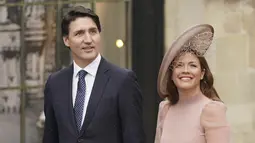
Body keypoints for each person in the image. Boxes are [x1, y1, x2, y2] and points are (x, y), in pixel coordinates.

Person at [43, 6, 144, 143]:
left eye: (93, 31)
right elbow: (50, 137)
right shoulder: (55, 83)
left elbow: (134, 138)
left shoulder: (123, 81)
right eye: (79, 33)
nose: (88, 39)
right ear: (67, 40)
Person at [155, 24, 231, 143]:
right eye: (179, 65)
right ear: (172, 74)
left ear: (202, 74)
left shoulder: (212, 110)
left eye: (193, 65)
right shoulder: (165, 108)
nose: (185, 70)